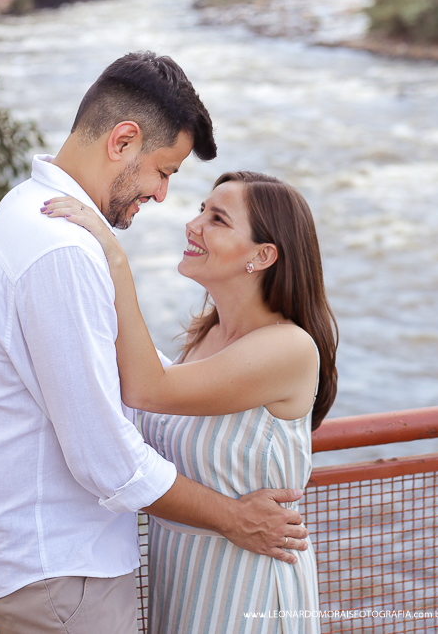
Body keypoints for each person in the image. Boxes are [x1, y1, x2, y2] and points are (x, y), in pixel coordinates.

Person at [0, 52, 308, 634]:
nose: (164, 196)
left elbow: (133, 379)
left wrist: (114, 263)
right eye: (164, 171)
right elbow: (105, 460)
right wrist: (234, 518)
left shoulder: (26, 213)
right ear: (123, 141)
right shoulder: (62, 250)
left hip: (44, 566)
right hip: (59, 570)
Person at [41, 169, 338, 633]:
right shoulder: (208, 333)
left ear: (262, 255)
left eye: (217, 218)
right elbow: (134, 379)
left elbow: (147, 388)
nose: (193, 224)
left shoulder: (289, 348)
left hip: (248, 586)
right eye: (202, 209)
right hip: (180, 574)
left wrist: (113, 258)